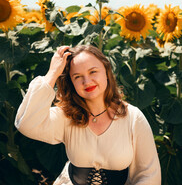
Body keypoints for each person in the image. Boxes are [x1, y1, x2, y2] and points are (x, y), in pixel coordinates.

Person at [15, 45, 161, 185]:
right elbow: (26, 124)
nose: (87, 81)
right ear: (71, 82)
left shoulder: (134, 118)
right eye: (77, 76)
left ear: (106, 71)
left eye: (93, 72)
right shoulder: (67, 116)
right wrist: (53, 73)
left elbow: (149, 175)